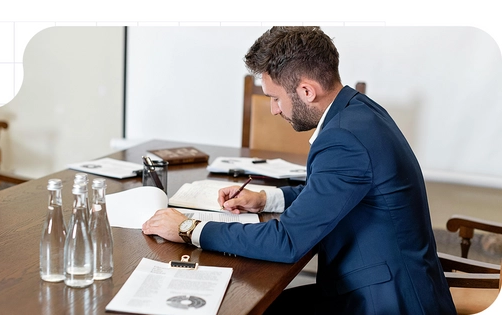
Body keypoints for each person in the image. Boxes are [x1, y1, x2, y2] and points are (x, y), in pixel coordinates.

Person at [142, 26, 456, 314]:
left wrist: (188, 229)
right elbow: (330, 190)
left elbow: (287, 241)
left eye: (275, 98)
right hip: (387, 282)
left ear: (306, 91)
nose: (274, 109)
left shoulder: (343, 139)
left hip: (386, 301)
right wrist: (265, 198)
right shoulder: (357, 109)